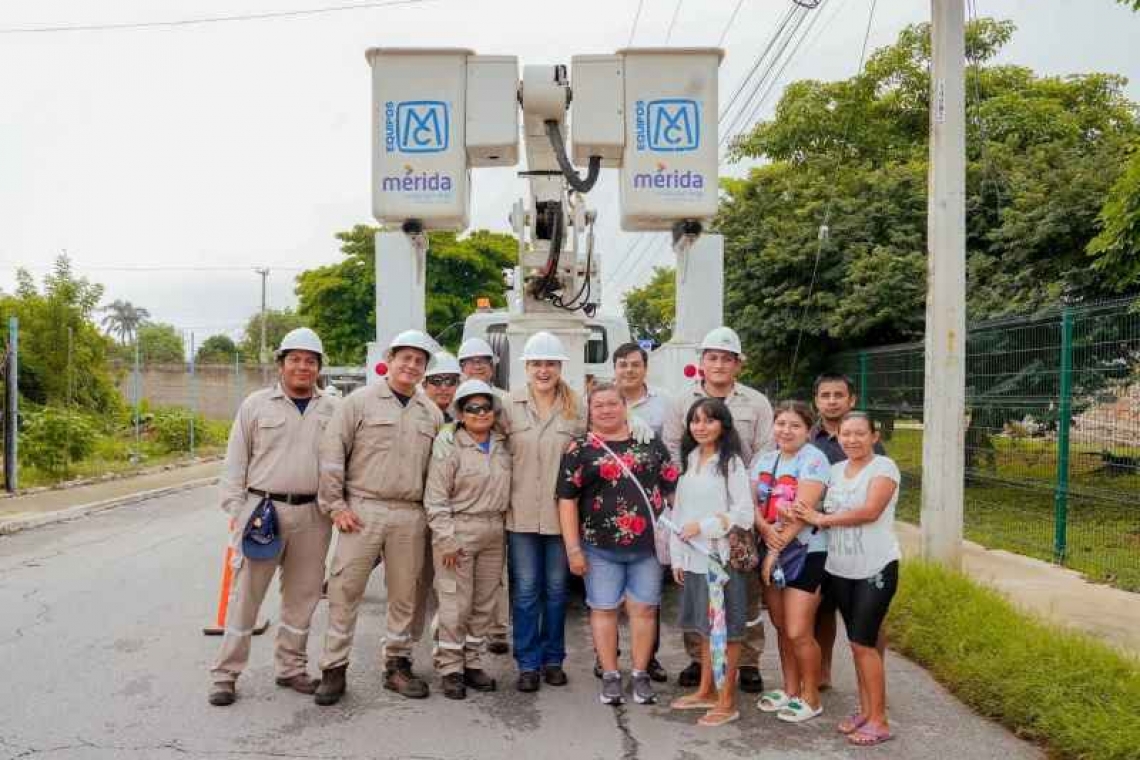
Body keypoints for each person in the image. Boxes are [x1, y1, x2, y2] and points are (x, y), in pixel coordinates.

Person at [208, 328, 338, 706]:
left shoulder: (332, 409)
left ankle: (291, 668)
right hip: (263, 513)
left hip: (313, 515)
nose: (302, 367)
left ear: (319, 368)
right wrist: (238, 512)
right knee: (245, 597)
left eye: (310, 361)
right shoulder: (256, 406)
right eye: (294, 359)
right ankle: (226, 674)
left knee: (304, 596)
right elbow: (235, 463)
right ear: (281, 364)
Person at [313, 329, 444, 705]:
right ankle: (334, 668)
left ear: (424, 369)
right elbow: (333, 453)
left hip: (410, 514)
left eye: (419, 361)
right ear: (390, 359)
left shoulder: (431, 414)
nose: (411, 365)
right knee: (344, 590)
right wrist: (336, 505)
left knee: (406, 595)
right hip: (362, 509)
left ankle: (397, 665)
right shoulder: (359, 403)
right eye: (406, 358)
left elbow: (438, 472)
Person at [662, 326, 774, 692]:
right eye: (712, 357)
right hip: (695, 501)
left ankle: (748, 661)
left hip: (741, 508)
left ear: (738, 364)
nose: (719, 364)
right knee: (698, 593)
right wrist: (682, 496)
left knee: (743, 593)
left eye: (727, 358)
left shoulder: (756, 402)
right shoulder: (682, 401)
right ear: (702, 362)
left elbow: (764, 452)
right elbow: (673, 448)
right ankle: (700, 660)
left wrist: (743, 494)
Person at [556, 382, 678, 706]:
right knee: (603, 608)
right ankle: (610, 674)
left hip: (648, 547)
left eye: (613, 403)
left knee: (645, 609)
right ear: (589, 411)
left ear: (625, 407)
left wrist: (681, 533)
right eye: (599, 405)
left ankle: (640, 673)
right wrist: (573, 549)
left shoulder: (648, 442)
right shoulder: (579, 448)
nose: (606, 410)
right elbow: (566, 500)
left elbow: (671, 487)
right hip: (599, 546)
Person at [794, 412, 900, 747]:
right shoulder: (835, 470)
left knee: (864, 643)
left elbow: (870, 512)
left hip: (875, 567)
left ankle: (880, 720)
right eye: (846, 434)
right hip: (840, 568)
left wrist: (821, 519)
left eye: (860, 434)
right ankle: (866, 711)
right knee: (856, 644)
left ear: (874, 436)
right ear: (837, 437)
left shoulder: (883, 467)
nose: (852, 440)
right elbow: (811, 501)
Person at [499, 331, 584, 692]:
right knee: (525, 591)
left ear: (560, 367)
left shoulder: (577, 408)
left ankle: (553, 660)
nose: (543, 370)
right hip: (519, 515)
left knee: (557, 590)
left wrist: (634, 421)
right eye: (536, 364)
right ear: (527, 367)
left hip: (560, 518)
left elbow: (596, 444)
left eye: (550, 363)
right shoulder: (508, 405)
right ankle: (528, 663)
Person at [668, 398, 753, 727]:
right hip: (694, 559)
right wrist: (678, 556)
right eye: (695, 420)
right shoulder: (691, 459)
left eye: (709, 420)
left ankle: (727, 701)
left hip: (721, 560)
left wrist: (703, 527)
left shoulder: (731, 463)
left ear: (723, 425)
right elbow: (679, 512)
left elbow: (743, 514)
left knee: (727, 631)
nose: (700, 427)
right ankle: (706, 690)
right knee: (706, 628)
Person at [424, 379, 512, 700]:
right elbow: (435, 498)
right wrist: (446, 539)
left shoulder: (503, 444)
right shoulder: (448, 447)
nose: (480, 413)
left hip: (494, 531)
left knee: (484, 603)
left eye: (486, 407)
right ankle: (450, 667)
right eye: (472, 408)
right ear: (460, 413)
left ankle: (472, 662)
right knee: (455, 603)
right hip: (458, 530)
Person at [593, 341, 671, 683]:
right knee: (604, 602)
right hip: (604, 520)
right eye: (622, 364)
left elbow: (669, 453)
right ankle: (606, 660)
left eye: (635, 364)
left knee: (647, 601)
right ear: (614, 368)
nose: (629, 370)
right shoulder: (597, 401)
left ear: (645, 368)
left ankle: (647, 660)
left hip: (648, 517)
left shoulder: (664, 404)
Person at [752, 401, 831, 723]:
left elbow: (802, 510)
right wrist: (764, 529)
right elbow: (752, 503)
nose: (786, 430)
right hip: (770, 545)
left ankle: (811, 696)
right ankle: (790, 689)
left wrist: (773, 551)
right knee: (782, 626)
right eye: (781, 423)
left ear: (808, 430)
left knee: (799, 630)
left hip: (805, 551)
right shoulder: (765, 459)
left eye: (795, 425)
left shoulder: (814, 460)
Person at [810, 372, 886, 689]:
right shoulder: (808, 438)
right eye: (825, 395)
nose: (832, 401)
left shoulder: (867, 442)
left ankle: (873, 680)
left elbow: (877, 500)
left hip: (862, 543)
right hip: (817, 540)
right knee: (821, 610)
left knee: (868, 616)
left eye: (838, 395)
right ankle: (822, 672)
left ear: (851, 399)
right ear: (816, 401)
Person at [457, 336, 511, 655]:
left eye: (483, 361)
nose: (477, 366)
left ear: (493, 366)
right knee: (455, 582)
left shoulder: (505, 401)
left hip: (493, 502)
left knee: (495, 575)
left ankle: (498, 629)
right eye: (470, 361)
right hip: (459, 504)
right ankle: (453, 639)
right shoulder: (451, 400)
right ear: (461, 366)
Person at [423, 352, 462, 422]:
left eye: (450, 381)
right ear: (424, 384)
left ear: (458, 385)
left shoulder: (459, 420)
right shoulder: (415, 417)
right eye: (436, 381)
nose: (443, 388)